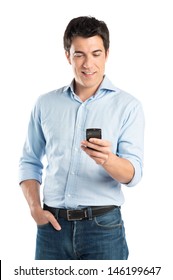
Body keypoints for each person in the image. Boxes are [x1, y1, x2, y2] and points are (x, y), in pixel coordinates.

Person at [19, 16, 144, 260]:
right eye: (79, 54)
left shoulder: (128, 106)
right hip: (52, 228)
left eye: (96, 53)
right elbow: (29, 161)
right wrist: (35, 208)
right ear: (68, 55)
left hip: (103, 229)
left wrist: (108, 159)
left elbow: (133, 174)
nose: (88, 64)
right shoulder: (45, 104)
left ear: (106, 54)